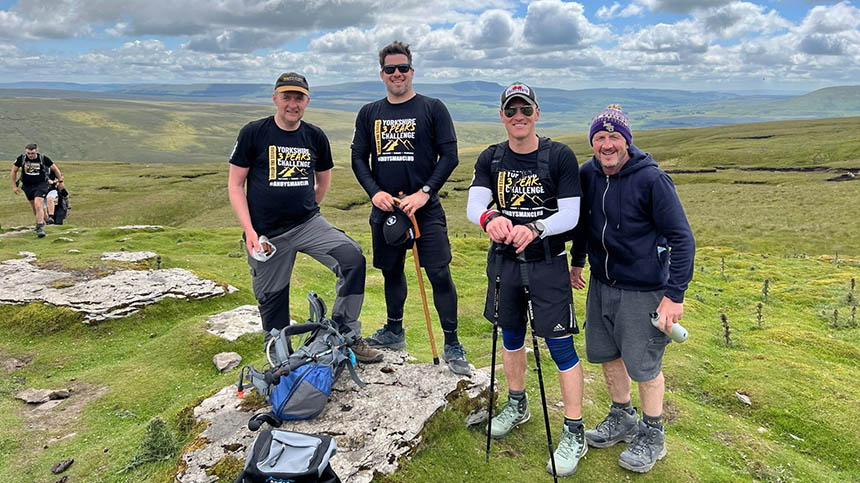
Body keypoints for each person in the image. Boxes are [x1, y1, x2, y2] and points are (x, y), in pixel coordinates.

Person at [466, 82, 586, 476]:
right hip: (504, 262)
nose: (518, 117)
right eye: (511, 110)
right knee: (511, 335)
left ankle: (574, 431)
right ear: (502, 115)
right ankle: (517, 404)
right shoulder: (492, 157)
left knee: (561, 347)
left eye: (525, 109)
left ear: (537, 113)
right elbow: (474, 204)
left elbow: (571, 215)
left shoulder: (559, 156)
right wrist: (490, 218)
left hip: (547, 263)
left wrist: (535, 228)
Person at [570, 105, 695, 473]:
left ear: (626, 141)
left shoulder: (652, 180)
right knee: (608, 354)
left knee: (644, 365)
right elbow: (583, 224)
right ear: (592, 142)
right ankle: (622, 417)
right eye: (600, 138)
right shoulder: (588, 174)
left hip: (644, 290)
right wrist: (577, 261)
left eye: (614, 137)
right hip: (601, 284)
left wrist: (674, 296)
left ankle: (653, 434)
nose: (607, 145)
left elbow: (682, 239)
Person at [228, 72, 383, 364]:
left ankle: (346, 335)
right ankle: (280, 361)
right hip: (267, 235)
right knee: (272, 302)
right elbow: (236, 185)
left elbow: (322, 182)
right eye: (286, 97)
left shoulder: (314, 136)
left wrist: (306, 209)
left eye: (299, 98)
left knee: (352, 259)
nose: (292, 104)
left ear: (307, 101)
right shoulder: (254, 132)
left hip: (308, 225)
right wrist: (250, 232)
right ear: (275, 99)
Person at [350, 41, 469, 375]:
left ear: (412, 71)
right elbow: (358, 157)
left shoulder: (433, 108)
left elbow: (450, 156)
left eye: (403, 68)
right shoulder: (369, 113)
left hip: (424, 209)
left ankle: (452, 342)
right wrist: (374, 192)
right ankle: (394, 330)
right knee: (391, 271)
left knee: (439, 273)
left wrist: (425, 193)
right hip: (386, 209)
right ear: (382, 74)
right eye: (390, 69)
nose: (397, 74)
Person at [11, 143, 63, 238]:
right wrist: (14, 186)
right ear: (25, 152)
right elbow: (14, 171)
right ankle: (43, 221)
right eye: (28, 153)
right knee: (34, 207)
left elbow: (55, 169)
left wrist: (60, 181)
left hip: (41, 185)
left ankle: (39, 227)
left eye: (32, 153)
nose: (30, 155)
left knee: (38, 204)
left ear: (36, 151)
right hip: (27, 186)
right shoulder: (21, 159)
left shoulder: (43, 158)